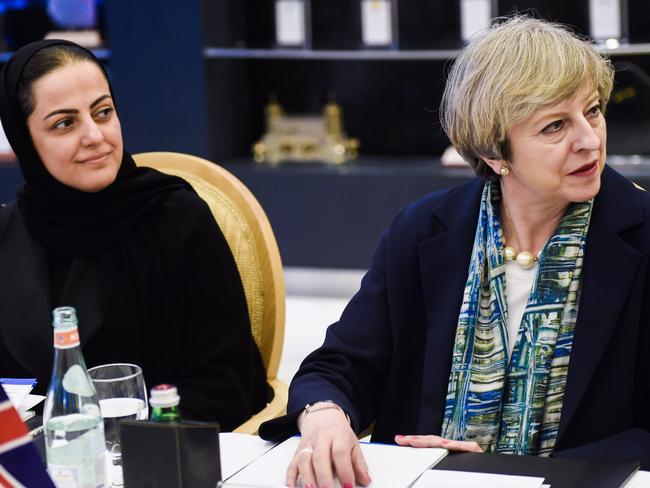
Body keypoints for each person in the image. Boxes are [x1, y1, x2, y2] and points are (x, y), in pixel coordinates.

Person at [259, 16, 650, 487]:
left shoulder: (641, 236)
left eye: (592, 110)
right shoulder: (424, 230)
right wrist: (324, 416)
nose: (589, 140)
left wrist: (509, 469)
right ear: (494, 153)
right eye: (554, 126)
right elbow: (340, 365)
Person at [0, 40, 268, 430]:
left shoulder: (176, 219)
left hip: (153, 459)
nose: (94, 135)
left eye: (103, 112)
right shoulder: (7, 238)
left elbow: (226, 385)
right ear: (24, 139)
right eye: (64, 123)